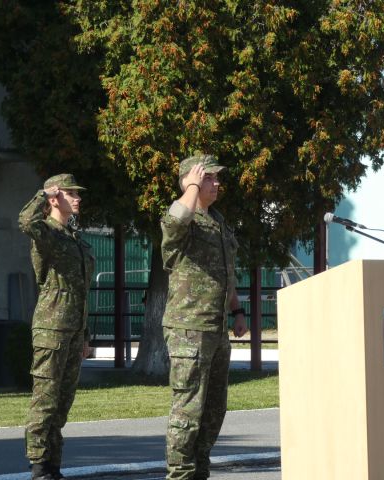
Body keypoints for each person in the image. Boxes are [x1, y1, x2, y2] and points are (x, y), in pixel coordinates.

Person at [161, 153, 248, 480]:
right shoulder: (183, 219)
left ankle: (199, 471)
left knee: (213, 410)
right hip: (189, 329)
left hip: (216, 328)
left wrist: (237, 311)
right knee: (188, 409)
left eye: (215, 177)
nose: (216, 183)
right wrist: (192, 186)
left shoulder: (218, 222)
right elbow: (176, 221)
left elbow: (225, 274)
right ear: (190, 181)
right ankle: (180, 474)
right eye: (208, 177)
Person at [19, 174, 95, 480]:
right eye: (71, 194)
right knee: (45, 400)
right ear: (55, 198)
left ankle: (53, 465)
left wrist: (85, 335)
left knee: (62, 403)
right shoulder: (46, 233)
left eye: (78, 193)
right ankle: (39, 465)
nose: (78, 198)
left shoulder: (74, 238)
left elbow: (81, 291)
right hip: (52, 328)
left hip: (74, 330)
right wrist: (43, 193)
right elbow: (26, 221)